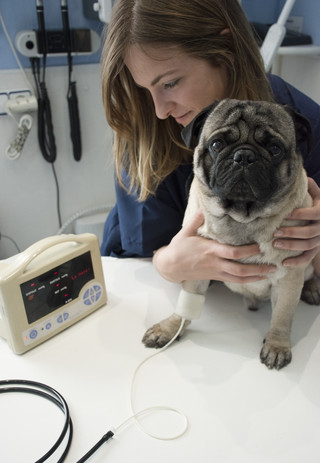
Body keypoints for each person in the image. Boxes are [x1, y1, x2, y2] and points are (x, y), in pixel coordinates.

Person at [100, 0, 320, 287]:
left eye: (170, 83)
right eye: (145, 89)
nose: (160, 110)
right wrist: (166, 263)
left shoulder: (298, 120)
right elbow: (139, 259)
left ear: (224, 50)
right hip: (165, 294)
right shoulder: (145, 133)